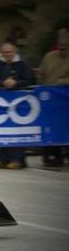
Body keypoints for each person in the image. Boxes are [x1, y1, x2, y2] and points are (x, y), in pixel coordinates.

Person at [0, 43, 35, 170]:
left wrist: (16, 83)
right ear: (2, 53)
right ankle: (2, 158)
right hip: (2, 103)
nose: (7, 54)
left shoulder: (22, 64)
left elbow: (30, 80)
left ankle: (17, 159)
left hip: (19, 104)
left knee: (17, 131)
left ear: (14, 52)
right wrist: (3, 83)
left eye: (10, 52)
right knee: (2, 130)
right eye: (5, 52)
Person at [38, 32, 69, 168]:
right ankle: (51, 157)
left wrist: (61, 82)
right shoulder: (49, 57)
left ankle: (62, 156)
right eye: (61, 40)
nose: (63, 43)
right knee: (49, 127)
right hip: (49, 101)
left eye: (66, 40)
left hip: (65, 101)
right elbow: (41, 74)